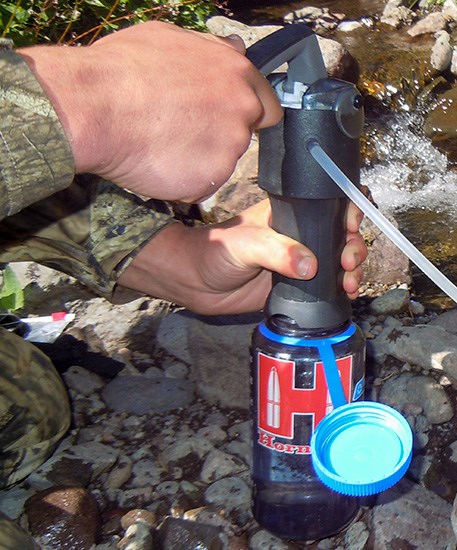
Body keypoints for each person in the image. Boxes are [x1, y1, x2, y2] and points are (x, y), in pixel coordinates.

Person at [0, 21, 367, 544]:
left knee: (29, 410)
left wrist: (185, 261)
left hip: (312, 321)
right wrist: (94, 98)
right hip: (296, 329)